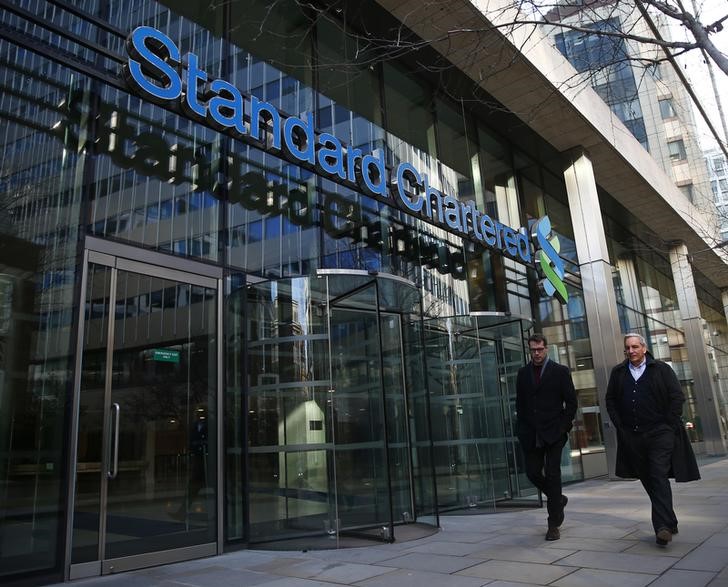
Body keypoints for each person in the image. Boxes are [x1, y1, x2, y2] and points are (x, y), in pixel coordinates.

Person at [605, 333, 700, 547]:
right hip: (632, 435)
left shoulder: (661, 369)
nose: (631, 351)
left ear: (644, 348)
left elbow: (677, 397)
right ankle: (670, 519)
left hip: (660, 433)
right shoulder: (619, 372)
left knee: (658, 474)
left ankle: (662, 528)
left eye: (635, 347)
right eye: (628, 348)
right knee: (648, 478)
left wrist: (668, 423)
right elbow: (610, 399)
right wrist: (620, 425)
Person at [516, 333, 577, 541]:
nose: (536, 353)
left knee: (552, 474)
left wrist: (564, 428)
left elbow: (571, 403)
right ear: (529, 349)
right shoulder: (522, 373)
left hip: (554, 433)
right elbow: (520, 404)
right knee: (532, 472)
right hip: (531, 434)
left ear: (546, 348)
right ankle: (557, 498)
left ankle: (553, 523)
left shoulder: (560, 371)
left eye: (540, 349)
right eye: (533, 349)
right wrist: (521, 429)